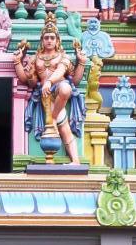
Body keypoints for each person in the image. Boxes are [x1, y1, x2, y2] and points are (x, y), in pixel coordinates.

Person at [13, 13, 87, 164]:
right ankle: (76, 161)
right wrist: (17, 62)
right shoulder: (36, 59)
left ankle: (52, 117)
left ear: (57, 40)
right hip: (45, 95)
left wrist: (81, 63)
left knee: (66, 89)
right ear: (42, 40)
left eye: (52, 38)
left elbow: (74, 79)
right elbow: (27, 80)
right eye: (46, 38)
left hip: (59, 89)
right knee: (64, 126)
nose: (49, 41)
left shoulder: (63, 57)